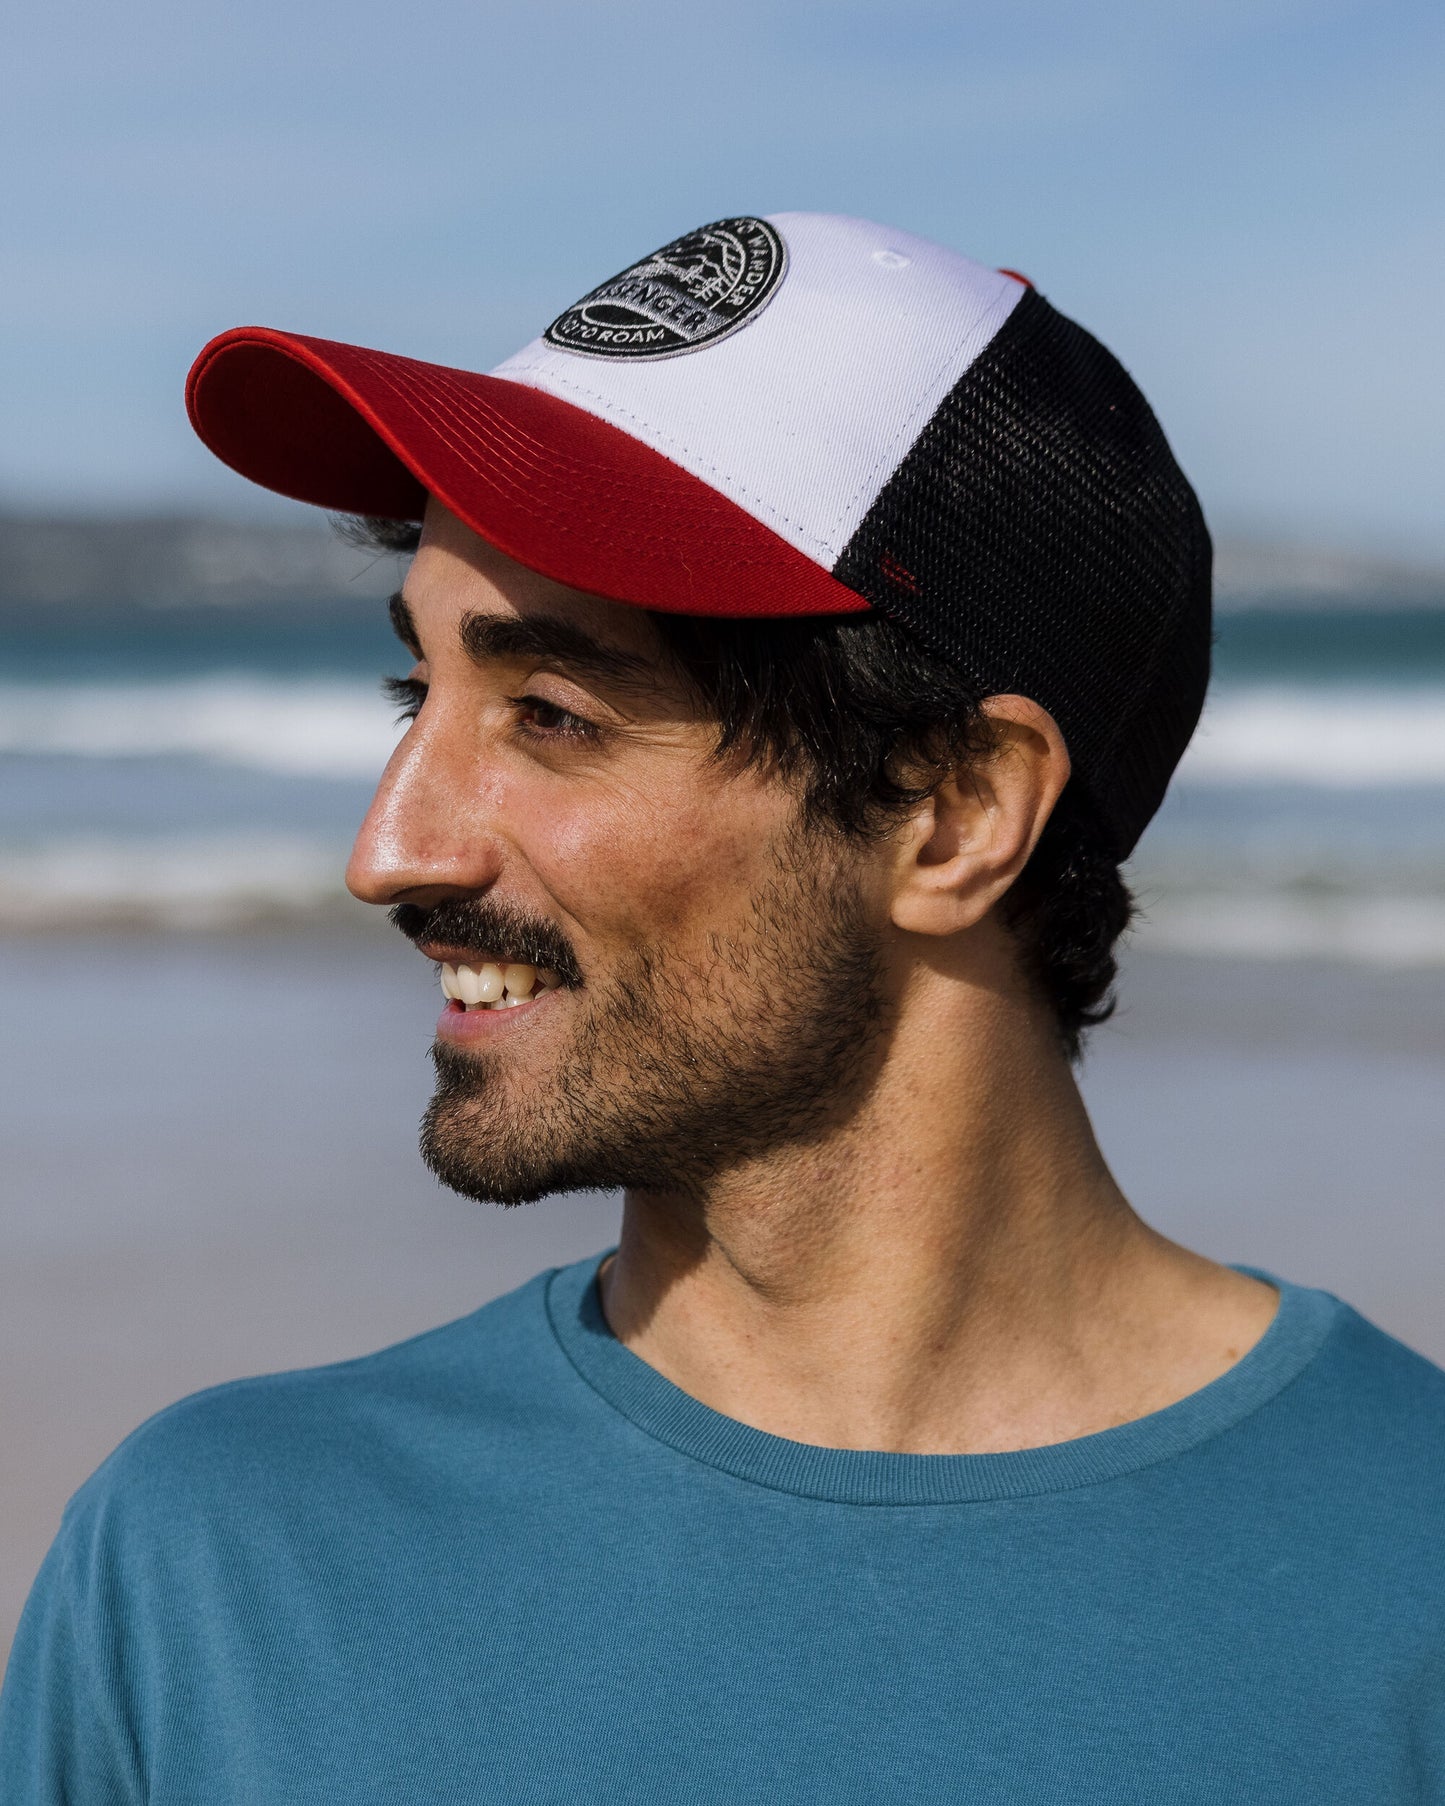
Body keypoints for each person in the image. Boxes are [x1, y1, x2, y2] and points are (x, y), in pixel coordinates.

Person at [3, 212, 1442, 1802]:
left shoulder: (1406, 1579)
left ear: (953, 812)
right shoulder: (213, 1573)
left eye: (550, 714)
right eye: (419, 695)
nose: (389, 850)